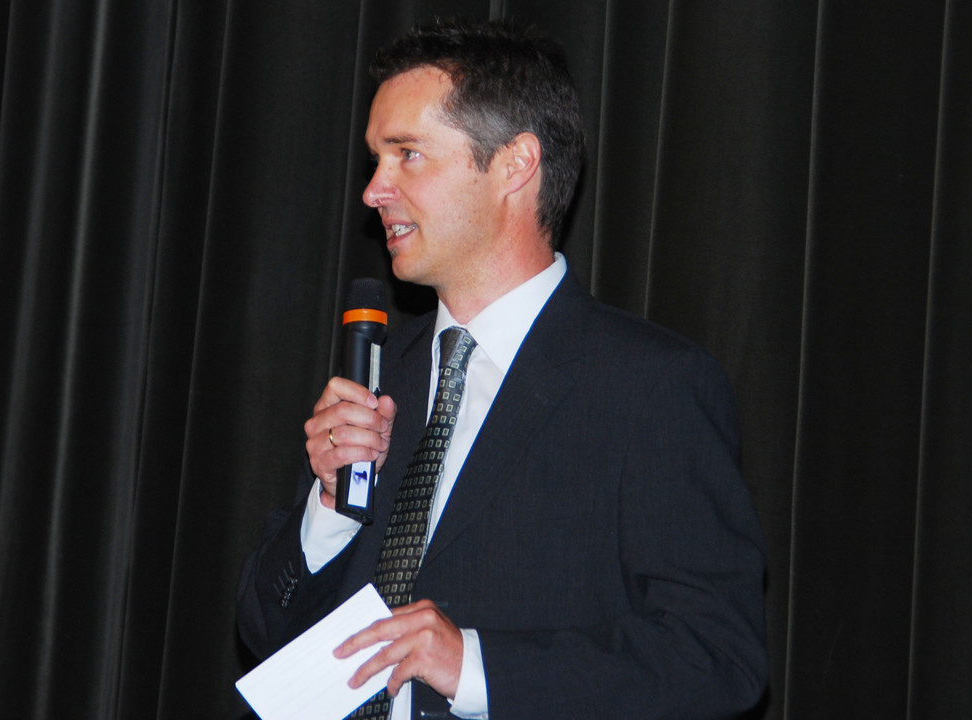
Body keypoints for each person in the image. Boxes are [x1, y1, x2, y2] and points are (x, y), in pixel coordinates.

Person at [238, 17, 768, 720]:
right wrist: (328, 513)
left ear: (515, 164)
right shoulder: (380, 379)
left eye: (407, 155)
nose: (373, 190)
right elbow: (263, 631)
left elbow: (716, 658)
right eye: (375, 159)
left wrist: (476, 667)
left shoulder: (650, 386)